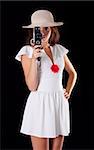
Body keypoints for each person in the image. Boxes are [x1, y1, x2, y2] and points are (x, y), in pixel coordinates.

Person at [15, 10, 77, 150]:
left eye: (46, 28)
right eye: (38, 28)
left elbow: (73, 73)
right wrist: (34, 59)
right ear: (33, 31)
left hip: (59, 103)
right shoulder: (27, 51)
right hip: (40, 105)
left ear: (52, 29)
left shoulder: (59, 50)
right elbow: (32, 86)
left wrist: (68, 91)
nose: (42, 32)